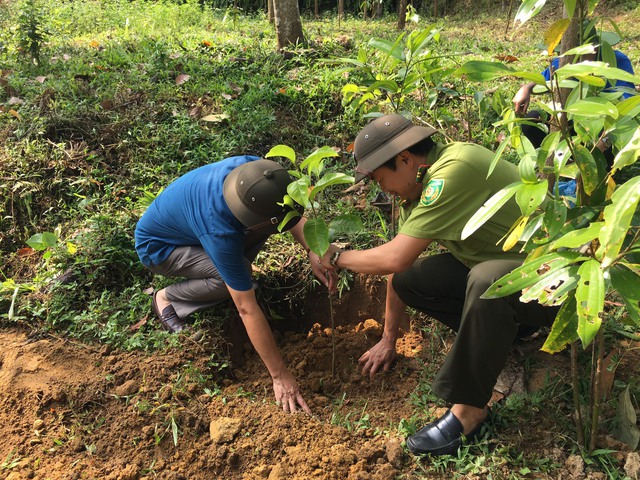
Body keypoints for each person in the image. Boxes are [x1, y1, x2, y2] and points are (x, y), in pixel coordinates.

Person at [320, 114, 558, 456]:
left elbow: (394, 256)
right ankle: (515, 331)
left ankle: (469, 411)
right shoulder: (419, 189)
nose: (380, 188)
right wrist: (389, 338)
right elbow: (398, 269)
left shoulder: (452, 172)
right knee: (412, 280)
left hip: (558, 283)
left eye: (379, 178)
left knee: (486, 279)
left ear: (404, 159)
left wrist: (336, 257)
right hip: (517, 277)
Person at [135, 155, 337, 414]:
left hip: (194, 227)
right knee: (234, 277)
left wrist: (313, 248)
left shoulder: (258, 173)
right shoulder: (220, 231)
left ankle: (231, 271)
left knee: (246, 257)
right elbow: (246, 309)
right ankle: (168, 298)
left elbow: (286, 213)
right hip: (160, 248)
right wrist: (280, 376)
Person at [513, 27, 636, 150]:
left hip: (602, 127)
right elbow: (544, 81)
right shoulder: (564, 62)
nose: (572, 59)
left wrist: (605, 139)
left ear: (595, 48)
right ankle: (552, 159)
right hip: (572, 122)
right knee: (531, 121)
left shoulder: (616, 61)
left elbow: (627, 109)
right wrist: (526, 88)